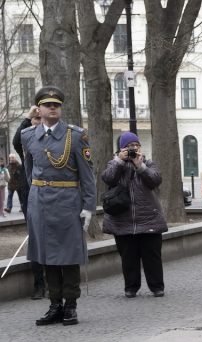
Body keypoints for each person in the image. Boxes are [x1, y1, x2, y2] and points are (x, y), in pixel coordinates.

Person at [21, 86, 96, 326]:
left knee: (68, 254)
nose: (52, 108)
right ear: (39, 109)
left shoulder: (75, 135)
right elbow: (29, 172)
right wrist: (33, 199)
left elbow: (87, 176)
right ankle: (55, 304)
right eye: (47, 105)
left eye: (56, 105)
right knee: (46, 255)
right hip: (40, 202)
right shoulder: (28, 135)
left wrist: (88, 207)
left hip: (66, 202)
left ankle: (71, 305)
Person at [101, 132, 167, 298]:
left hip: (148, 219)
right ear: (122, 149)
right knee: (128, 258)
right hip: (122, 220)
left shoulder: (148, 163)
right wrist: (119, 162)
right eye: (129, 146)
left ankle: (157, 287)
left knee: (152, 257)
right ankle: (131, 287)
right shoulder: (114, 163)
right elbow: (107, 178)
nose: (133, 149)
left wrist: (140, 166)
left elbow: (155, 180)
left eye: (136, 145)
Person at [12, 106, 46, 300]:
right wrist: (27, 118)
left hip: (50, 195)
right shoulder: (27, 140)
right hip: (30, 194)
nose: (38, 123)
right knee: (35, 238)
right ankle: (39, 284)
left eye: (41, 120)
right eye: (36, 120)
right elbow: (17, 140)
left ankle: (55, 282)